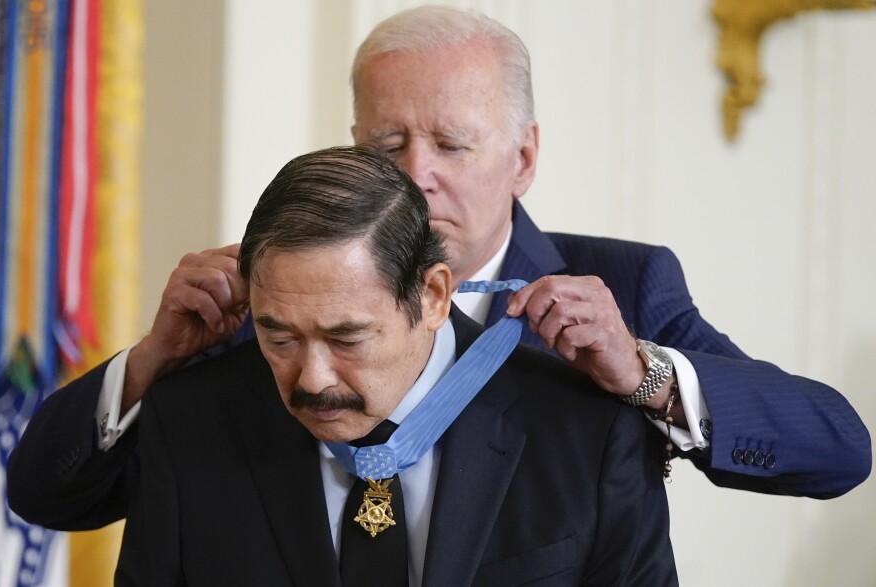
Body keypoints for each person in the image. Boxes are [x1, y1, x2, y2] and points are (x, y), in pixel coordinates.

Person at [7, 5, 871, 532]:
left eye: (453, 143)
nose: (416, 174)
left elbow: (837, 450)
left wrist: (644, 374)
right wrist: (154, 358)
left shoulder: (623, 285)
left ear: (525, 157)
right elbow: (44, 493)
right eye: (387, 143)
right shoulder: (278, 292)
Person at [113, 145, 678, 586]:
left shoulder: (589, 433)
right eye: (277, 335)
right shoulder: (189, 423)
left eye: (347, 337)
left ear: (433, 297)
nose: (312, 379)